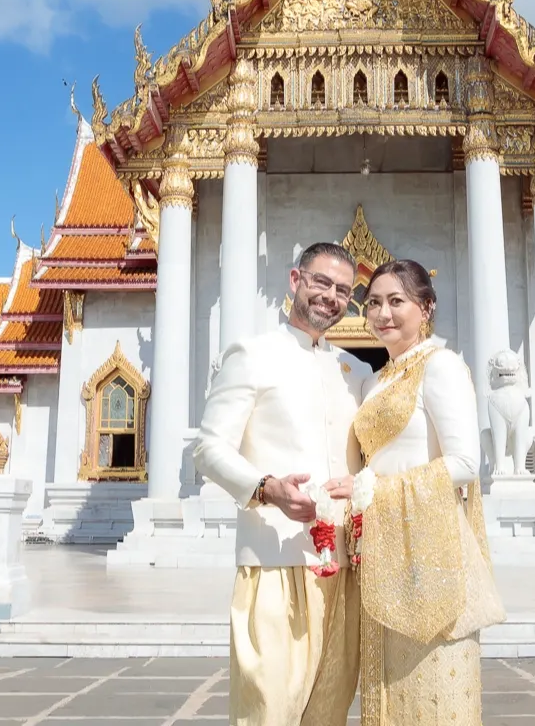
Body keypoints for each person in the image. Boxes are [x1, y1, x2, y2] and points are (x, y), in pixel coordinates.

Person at [193, 242, 375, 726]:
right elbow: (208, 448)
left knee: (328, 712)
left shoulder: (356, 372)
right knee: (268, 710)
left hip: (341, 565)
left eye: (343, 290)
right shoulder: (252, 355)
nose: (331, 297)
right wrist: (266, 487)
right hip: (274, 559)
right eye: (321, 282)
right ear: (296, 281)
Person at [326, 258, 505, 724]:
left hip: (431, 550)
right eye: (372, 303)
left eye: (396, 301)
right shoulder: (376, 380)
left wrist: (372, 489)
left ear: (426, 308)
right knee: (387, 693)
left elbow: (466, 463)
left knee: (432, 694)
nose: (382, 313)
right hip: (384, 548)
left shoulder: (441, 366)